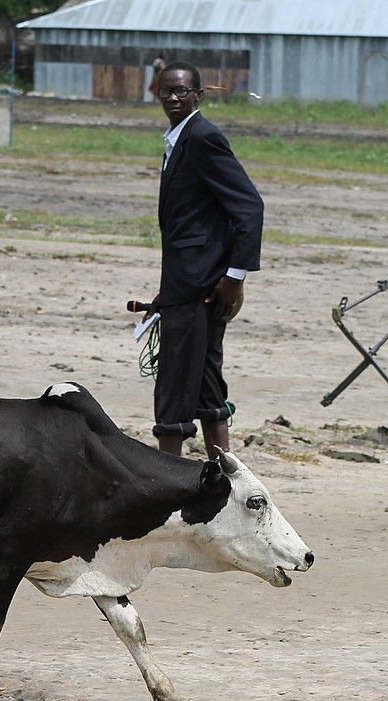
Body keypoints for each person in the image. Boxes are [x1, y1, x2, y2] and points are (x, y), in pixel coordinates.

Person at [145, 61, 263, 457]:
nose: (174, 98)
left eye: (182, 91)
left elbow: (249, 208)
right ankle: (224, 475)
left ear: (199, 94)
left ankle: (164, 478)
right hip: (188, 284)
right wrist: (166, 292)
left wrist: (234, 276)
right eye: (167, 91)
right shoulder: (178, 139)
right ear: (157, 94)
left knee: (175, 381)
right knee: (207, 381)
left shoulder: (202, 137)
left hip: (202, 287)